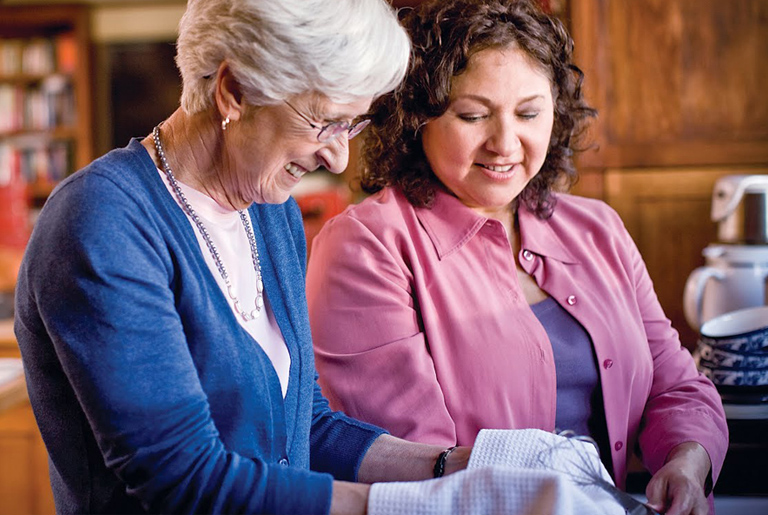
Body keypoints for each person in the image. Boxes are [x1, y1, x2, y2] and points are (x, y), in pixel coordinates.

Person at [12, 1, 489, 513]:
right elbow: (183, 481)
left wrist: (463, 468)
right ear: (233, 91)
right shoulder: (103, 221)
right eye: (325, 121)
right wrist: (421, 506)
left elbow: (304, 426)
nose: (338, 156)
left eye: (351, 125)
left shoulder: (268, 210)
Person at [305, 1, 729, 514]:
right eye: (473, 115)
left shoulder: (598, 229)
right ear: (417, 118)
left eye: (529, 113)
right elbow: (417, 463)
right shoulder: (366, 246)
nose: (505, 143)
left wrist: (687, 461)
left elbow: (675, 384)